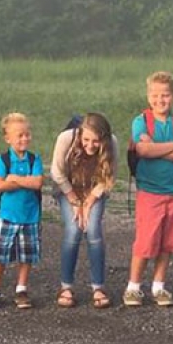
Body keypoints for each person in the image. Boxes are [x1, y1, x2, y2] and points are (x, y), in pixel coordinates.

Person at [124, 71, 173, 308]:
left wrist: (159, 147)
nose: (160, 100)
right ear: (148, 96)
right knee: (146, 241)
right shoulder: (141, 122)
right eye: (155, 95)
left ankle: (159, 286)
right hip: (150, 191)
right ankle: (133, 287)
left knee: (168, 242)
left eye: (165, 95)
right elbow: (143, 150)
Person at [50, 112, 118, 308]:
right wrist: (75, 201)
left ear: (103, 139)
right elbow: (57, 172)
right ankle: (66, 287)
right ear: (80, 134)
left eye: (96, 141)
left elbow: (110, 176)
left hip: (94, 188)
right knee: (74, 230)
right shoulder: (66, 139)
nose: (90, 145)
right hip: (67, 187)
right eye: (86, 139)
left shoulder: (112, 143)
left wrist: (89, 201)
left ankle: (98, 287)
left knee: (93, 229)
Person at [0, 112, 44, 311]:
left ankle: (21, 289)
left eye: (27, 134)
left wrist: (14, 180)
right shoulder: (3, 160)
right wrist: (23, 182)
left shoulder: (34, 159)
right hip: (7, 216)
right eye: (19, 135)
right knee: (1, 255)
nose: (24, 139)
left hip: (30, 216)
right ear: (8, 138)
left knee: (26, 255)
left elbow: (38, 182)